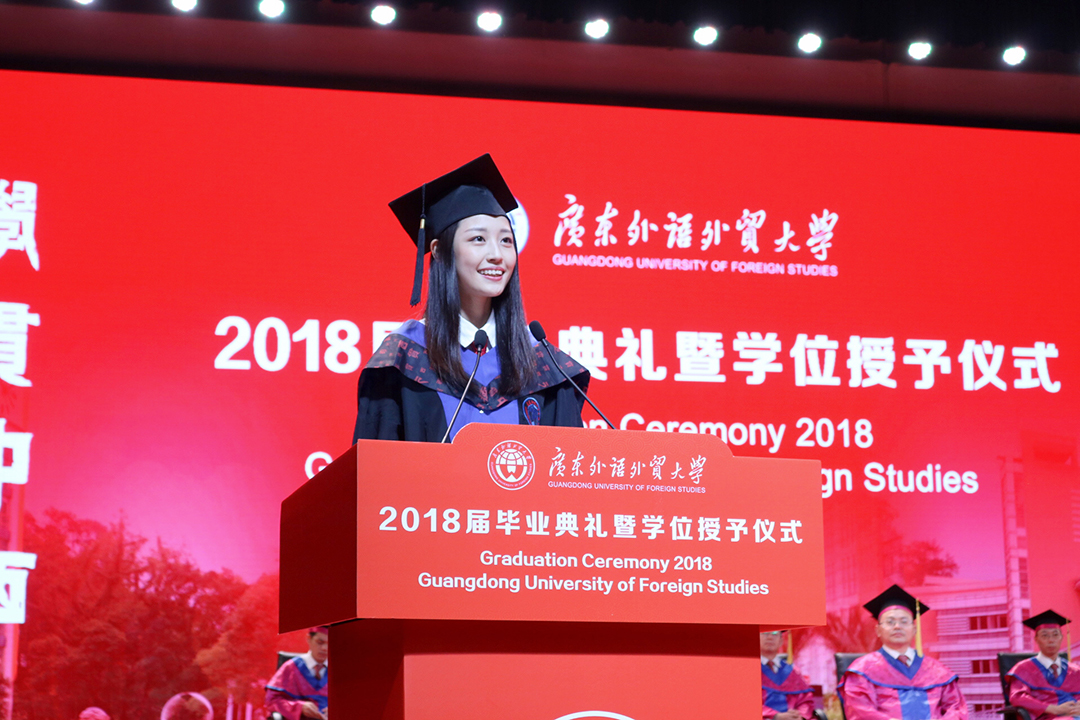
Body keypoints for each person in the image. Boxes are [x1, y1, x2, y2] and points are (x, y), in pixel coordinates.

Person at [352, 154, 589, 443]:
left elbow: (565, 464)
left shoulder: (543, 364)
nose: (497, 255)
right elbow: (375, 465)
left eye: (506, 240)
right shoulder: (403, 359)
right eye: (479, 239)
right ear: (438, 251)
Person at [839, 584, 968, 719]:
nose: (897, 627)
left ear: (914, 629)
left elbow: (956, 709)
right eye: (890, 622)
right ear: (878, 630)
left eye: (904, 621)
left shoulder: (937, 671)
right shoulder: (863, 670)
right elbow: (860, 711)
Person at [1006, 610, 1080, 719]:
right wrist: (1054, 709)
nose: (1051, 640)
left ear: (1062, 638)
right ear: (1036, 639)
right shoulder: (1023, 669)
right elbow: (1017, 697)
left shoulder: (1075, 670)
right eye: (1045, 636)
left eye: (1055, 635)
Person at [265, 626, 329, 720]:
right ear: (309, 639)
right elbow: (272, 701)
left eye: (330, 643)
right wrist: (299, 707)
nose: (325, 648)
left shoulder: (340, 671)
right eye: (320, 642)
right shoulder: (291, 667)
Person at [760, 630, 815, 719]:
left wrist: (800, 716)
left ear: (781, 641)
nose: (770, 637)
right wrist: (775, 716)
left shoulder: (793, 671)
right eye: (765, 633)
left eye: (775, 633)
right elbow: (745, 703)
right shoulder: (748, 671)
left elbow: (805, 700)